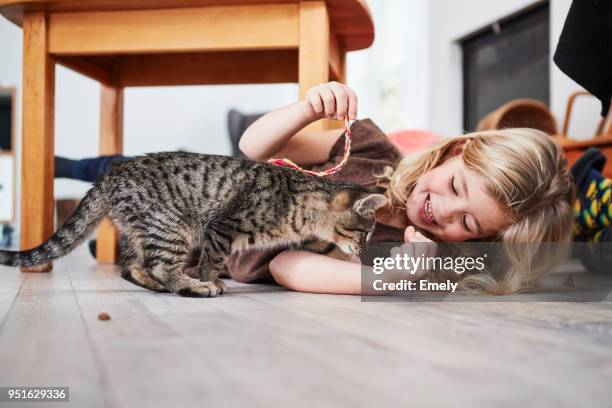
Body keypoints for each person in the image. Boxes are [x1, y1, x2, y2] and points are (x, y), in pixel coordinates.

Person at [55, 82, 578, 295]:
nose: (440, 209)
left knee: (124, 217)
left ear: (480, 242)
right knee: (118, 168)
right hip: (204, 192)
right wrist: (307, 109)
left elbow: (284, 265)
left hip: (194, 247)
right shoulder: (372, 153)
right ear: (452, 152)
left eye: (468, 223)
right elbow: (253, 148)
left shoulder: (405, 256)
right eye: (455, 186)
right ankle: (61, 164)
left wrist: (390, 280)